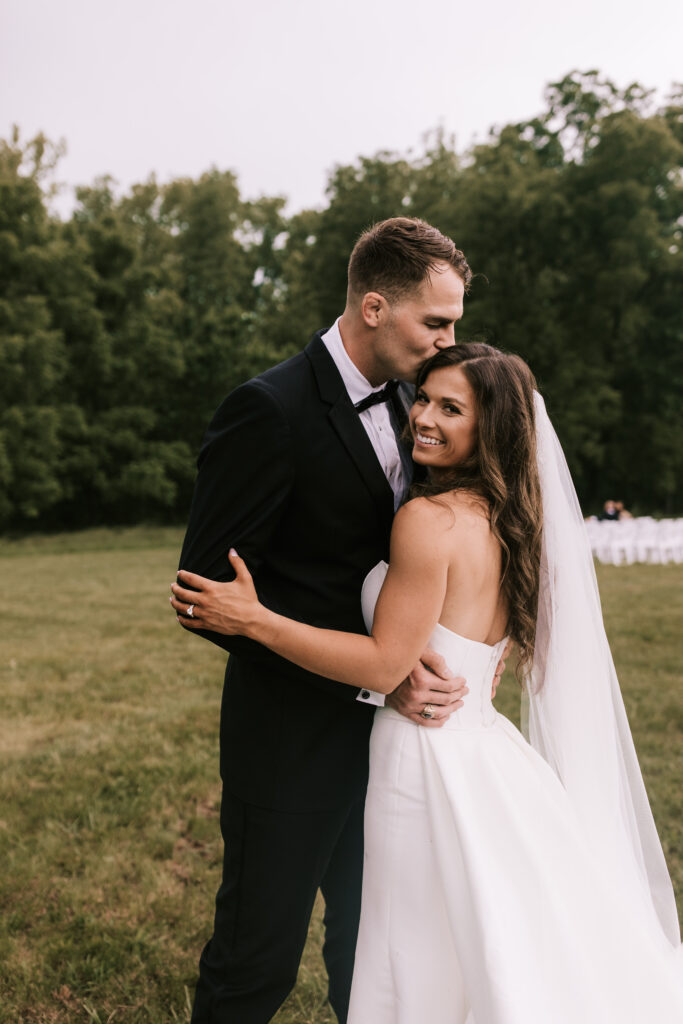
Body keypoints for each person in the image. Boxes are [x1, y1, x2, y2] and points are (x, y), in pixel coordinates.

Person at [172, 344, 683, 1023]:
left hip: (419, 758)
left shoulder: (426, 520)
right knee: (478, 941)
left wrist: (257, 620)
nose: (424, 418)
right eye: (423, 399)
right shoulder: (510, 520)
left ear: (491, 427)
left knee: (409, 949)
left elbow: (387, 667)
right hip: (485, 750)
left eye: (451, 408)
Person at [173, 218, 504, 1024]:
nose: (448, 340)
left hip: (396, 759)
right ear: (374, 307)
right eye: (436, 322)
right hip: (291, 740)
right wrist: (375, 680)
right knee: (258, 960)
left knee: (373, 951)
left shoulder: (416, 405)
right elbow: (207, 598)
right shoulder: (269, 409)